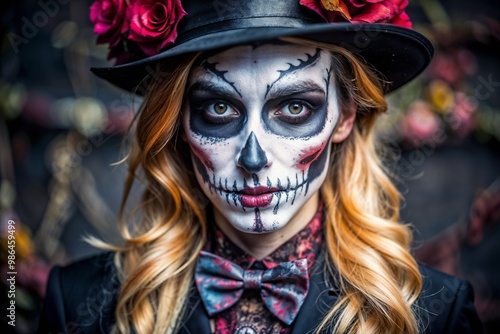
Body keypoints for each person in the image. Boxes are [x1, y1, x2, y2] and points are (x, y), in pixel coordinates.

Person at [38, 0, 483, 333]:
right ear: (176, 121)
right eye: (217, 107)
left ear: (345, 116)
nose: (253, 158)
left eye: (293, 107)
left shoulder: (435, 313)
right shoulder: (79, 304)